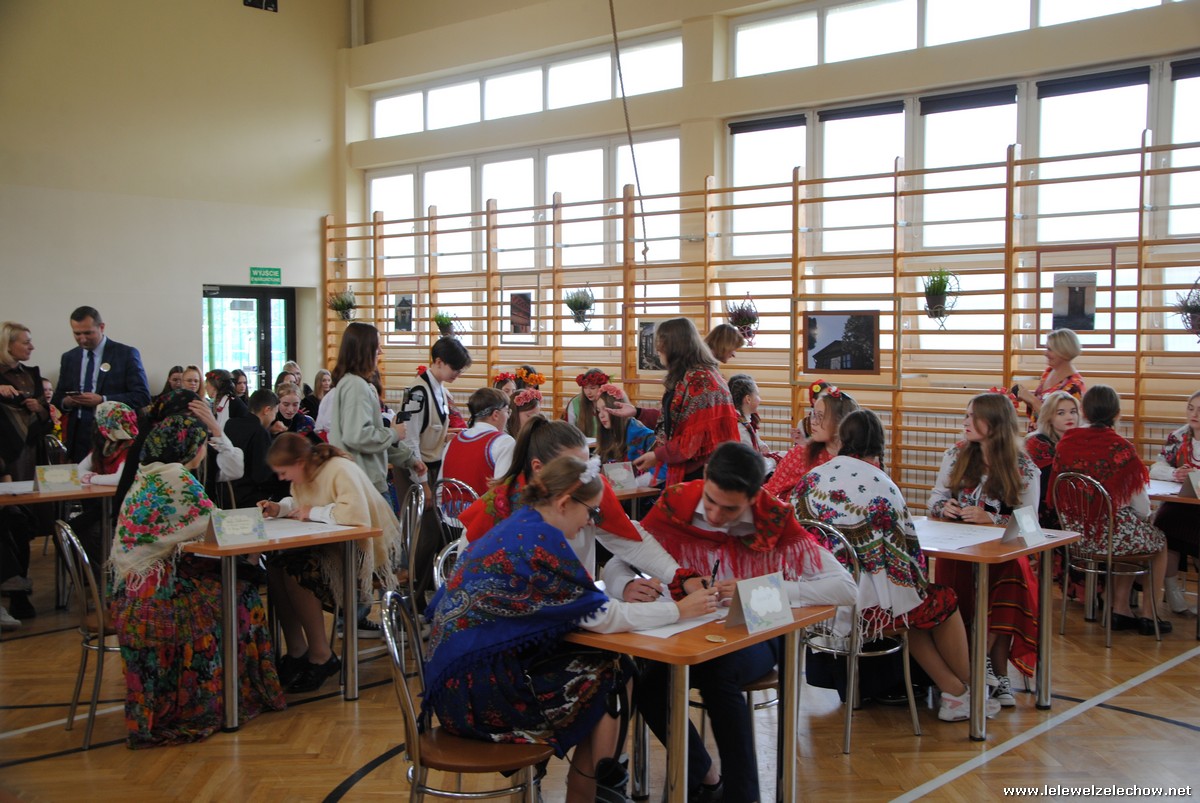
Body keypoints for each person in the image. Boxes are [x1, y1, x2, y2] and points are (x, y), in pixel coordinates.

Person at [424, 454, 719, 803]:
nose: (591, 521)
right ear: (564, 503)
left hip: (460, 682)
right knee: (612, 675)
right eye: (591, 511)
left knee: (609, 668)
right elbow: (603, 618)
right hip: (476, 698)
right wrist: (678, 610)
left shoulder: (523, 523)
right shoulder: (540, 543)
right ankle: (594, 785)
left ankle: (595, 785)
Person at [609, 442, 856, 802]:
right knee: (649, 687)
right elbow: (623, 556)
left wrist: (761, 588)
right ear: (706, 477)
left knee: (717, 675)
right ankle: (708, 779)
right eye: (710, 501)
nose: (714, 516)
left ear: (754, 497)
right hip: (691, 629)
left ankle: (743, 795)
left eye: (729, 509)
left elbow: (845, 587)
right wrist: (625, 584)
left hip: (758, 628)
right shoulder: (676, 503)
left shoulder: (773, 518)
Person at [793, 410, 1000, 724]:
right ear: (880, 445)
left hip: (815, 602)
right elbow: (907, 558)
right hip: (865, 610)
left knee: (909, 609)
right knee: (937, 601)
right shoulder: (880, 483)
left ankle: (956, 693)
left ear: (842, 440)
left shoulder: (810, 479)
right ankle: (975, 688)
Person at [109, 413, 284, 747]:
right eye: (203, 443)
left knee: (232, 585)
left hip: (132, 587)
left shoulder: (147, 473)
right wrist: (252, 523)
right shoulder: (175, 476)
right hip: (157, 594)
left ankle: (226, 688)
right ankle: (228, 693)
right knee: (243, 595)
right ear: (191, 446)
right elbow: (214, 525)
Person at [461, 418, 700, 589]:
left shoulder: (589, 488)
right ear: (538, 468)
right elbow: (467, 573)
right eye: (573, 467)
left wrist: (680, 578)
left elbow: (630, 542)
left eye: (586, 466)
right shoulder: (499, 505)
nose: (583, 476)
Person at [259, 433, 404, 692]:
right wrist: (280, 508)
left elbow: (354, 514)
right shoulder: (308, 473)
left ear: (300, 462)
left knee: (296, 571)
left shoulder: (339, 469)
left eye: (283, 472)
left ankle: (321, 655)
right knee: (275, 567)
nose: (282, 478)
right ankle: (297, 651)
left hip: (367, 554)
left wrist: (311, 512)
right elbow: (303, 503)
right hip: (335, 549)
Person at [928, 392, 1041, 703]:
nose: (965, 422)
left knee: (1010, 578)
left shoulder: (1024, 466)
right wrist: (944, 508)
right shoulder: (956, 454)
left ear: (993, 423)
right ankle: (992, 671)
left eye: (972, 416)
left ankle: (986, 663)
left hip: (1003, 552)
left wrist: (992, 519)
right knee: (971, 582)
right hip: (959, 551)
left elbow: (1031, 526)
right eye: (966, 415)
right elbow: (935, 498)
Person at [1047, 385, 1172, 636]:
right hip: (1111, 535)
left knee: (1130, 535)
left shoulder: (1066, 443)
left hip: (1075, 535)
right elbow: (1140, 506)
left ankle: (1121, 610)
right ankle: (1150, 615)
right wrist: (1141, 518)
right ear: (1117, 413)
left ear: (1084, 412)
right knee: (1156, 542)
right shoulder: (1121, 448)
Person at [631, 317, 739, 485]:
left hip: (704, 473)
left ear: (674, 346)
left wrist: (658, 455)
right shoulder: (691, 376)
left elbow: (693, 440)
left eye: (661, 344)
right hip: (699, 469)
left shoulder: (700, 381)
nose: (657, 350)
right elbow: (677, 422)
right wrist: (637, 412)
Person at [0, 321, 51, 626]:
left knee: (24, 524)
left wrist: (38, 407)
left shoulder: (32, 374)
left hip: (30, 457)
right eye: (25, 342)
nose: (31, 346)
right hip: (4, 460)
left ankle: (20, 592)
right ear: (8, 345)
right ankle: (12, 588)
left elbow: (46, 419)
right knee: (9, 520)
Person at [52, 306, 150, 461]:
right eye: (77, 334)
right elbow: (58, 397)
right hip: (79, 434)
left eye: (88, 333)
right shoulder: (69, 357)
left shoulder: (125, 354)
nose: (82, 339)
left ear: (101, 327)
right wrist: (68, 401)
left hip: (114, 435)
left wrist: (103, 400)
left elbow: (142, 396)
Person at [1149, 389, 1200, 614]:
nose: (1194, 414)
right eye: (1191, 408)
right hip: (1181, 501)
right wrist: (1174, 473)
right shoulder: (1178, 437)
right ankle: (1171, 590)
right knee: (1164, 523)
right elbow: (1156, 467)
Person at [765, 379, 858, 500]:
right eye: (814, 415)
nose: (813, 422)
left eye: (820, 417)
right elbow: (769, 493)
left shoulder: (859, 459)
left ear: (840, 422)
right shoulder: (800, 455)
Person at [401, 336, 472, 486]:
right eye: (455, 369)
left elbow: (428, 429)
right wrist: (423, 483)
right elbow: (409, 440)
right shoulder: (416, 392)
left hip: (433, 466)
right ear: (439, 362)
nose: (458, 374)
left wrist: (443, 438)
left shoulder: (441, 389)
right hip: (417, 471)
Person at [440, 387, 514, 495]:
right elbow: (501, 491)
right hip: (483, 505)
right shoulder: (504, 442)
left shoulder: (453, 441)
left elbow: (440, 488)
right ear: (496, 415)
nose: (508, 416)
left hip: (447, 505)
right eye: (507, 411)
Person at [1024, 390, 1080, 529]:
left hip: (1072, 507)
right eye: (1061, 413)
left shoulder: (1079, 442)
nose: (1069, 417)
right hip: (1041, 512)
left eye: (1073, 412)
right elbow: (1051, 486)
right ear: (1049, 417)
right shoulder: (1037, 442)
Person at [223, 389, 289, 507]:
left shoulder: (230, 424)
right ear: (267, 410)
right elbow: (262, 475)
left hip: (226, 492)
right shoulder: (260, 432)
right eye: (275, 413)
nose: (274, 418)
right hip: (249, 496)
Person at [1014, 328, 1085, 433]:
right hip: (1036, 437)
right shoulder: (1048, 372)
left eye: (1050, 350)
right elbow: (1039, 410)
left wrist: (1033, 400)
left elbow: (1060, 421)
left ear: (1064, 352)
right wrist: (1025, 398)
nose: (1045, 353)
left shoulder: (1074, 386)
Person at [594, 384, 664, 487]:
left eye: (605, 409)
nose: (601, 415)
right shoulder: (608, 434)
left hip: (642, 492)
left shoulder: (643, 435)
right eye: (599, 410)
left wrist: (635, 484)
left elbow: (662, 472)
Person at [728, 373, 781, 476]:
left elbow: (755, 440)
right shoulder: (741, 427)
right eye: (757, 395)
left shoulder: (745, 420)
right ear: (748, 399)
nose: (760, 399)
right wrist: (774, 460)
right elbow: (752, 467)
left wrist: (761, 445)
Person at [562, 368, 608, 437]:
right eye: (585, 388)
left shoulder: (610, 401)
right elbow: (569, 430)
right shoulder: (575, 403)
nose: (588, 392)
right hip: (581, 442)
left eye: (592, 388)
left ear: (602, 387)